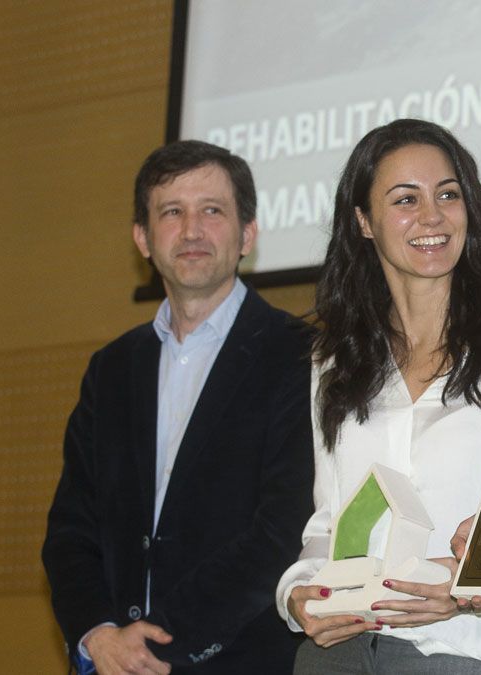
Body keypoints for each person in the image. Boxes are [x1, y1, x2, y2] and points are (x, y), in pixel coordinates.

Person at [274, 118, 481, 674]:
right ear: (364, 222)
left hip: (464, 652)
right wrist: (296, 596)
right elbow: (328, 523)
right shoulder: (336, 360)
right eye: (404, 200)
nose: (432, 216)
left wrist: (469, 587)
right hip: (338, 655)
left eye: (447, 194)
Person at [42, 140, 315, 674]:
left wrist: (162, 644)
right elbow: (71, 529)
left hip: (238, 660)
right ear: (143, 238)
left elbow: (283, 526)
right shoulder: (111, 369)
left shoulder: (299, 353)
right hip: (112, 660)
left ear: (248, 234)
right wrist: (99, 635)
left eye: (212, 211)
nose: (192, 230)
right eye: (172, 212)